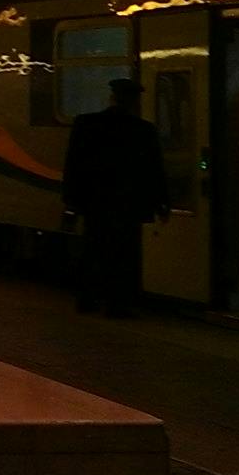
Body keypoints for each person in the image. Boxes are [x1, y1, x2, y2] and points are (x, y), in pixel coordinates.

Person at [63, 77, 168, 317]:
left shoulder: (86, 124)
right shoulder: (143, 130)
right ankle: (117, 304)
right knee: (123, 255)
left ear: (112, 97)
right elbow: (154, 170)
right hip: (128, 205)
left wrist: (71, 200)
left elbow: (73, 165)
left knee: (93, 250)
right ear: (134, 102)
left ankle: (87, 300)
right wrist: (162, 202)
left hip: (95, 203)